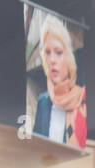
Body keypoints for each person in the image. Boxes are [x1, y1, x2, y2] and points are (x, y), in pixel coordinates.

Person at [32, 13, 87, 149]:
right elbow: (36, 147)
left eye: (58, 52)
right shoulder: (43, 102)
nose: (52, 60)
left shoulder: (82, 99)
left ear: (69, 57)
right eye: (47, 52)